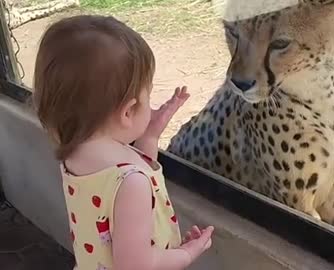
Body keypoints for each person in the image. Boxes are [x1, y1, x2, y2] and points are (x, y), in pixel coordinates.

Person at [32, 14, 214, 270]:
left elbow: (116, 190)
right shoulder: (131, 182)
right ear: (128, 112)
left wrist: (149, 136)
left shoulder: (74, 149)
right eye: (147, 94)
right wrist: (186, 253)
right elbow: (136, 265)